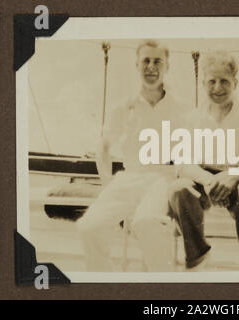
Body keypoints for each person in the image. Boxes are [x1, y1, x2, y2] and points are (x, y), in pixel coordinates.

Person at [76, 40, 189, 272]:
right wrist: (107, 184)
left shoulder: (181, 107)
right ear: (137, 65)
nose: (151, 67)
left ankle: (163, 285)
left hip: (163, 177)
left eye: (158, 61)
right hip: (129, 177)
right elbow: (104, 147)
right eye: (146, 61)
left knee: (146, 222)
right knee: (88, 227)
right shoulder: (123, 106)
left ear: (167, 66)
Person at [168, 51, 239, 271]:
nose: (218, 88)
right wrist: (208, 180)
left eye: (224, 81)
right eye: (212, 81)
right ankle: (198, 256)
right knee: (179, 189)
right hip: (204, 179)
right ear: (203, 83)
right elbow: (182, 161)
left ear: (235, 82)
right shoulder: (193, 118)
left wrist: (233, 176)